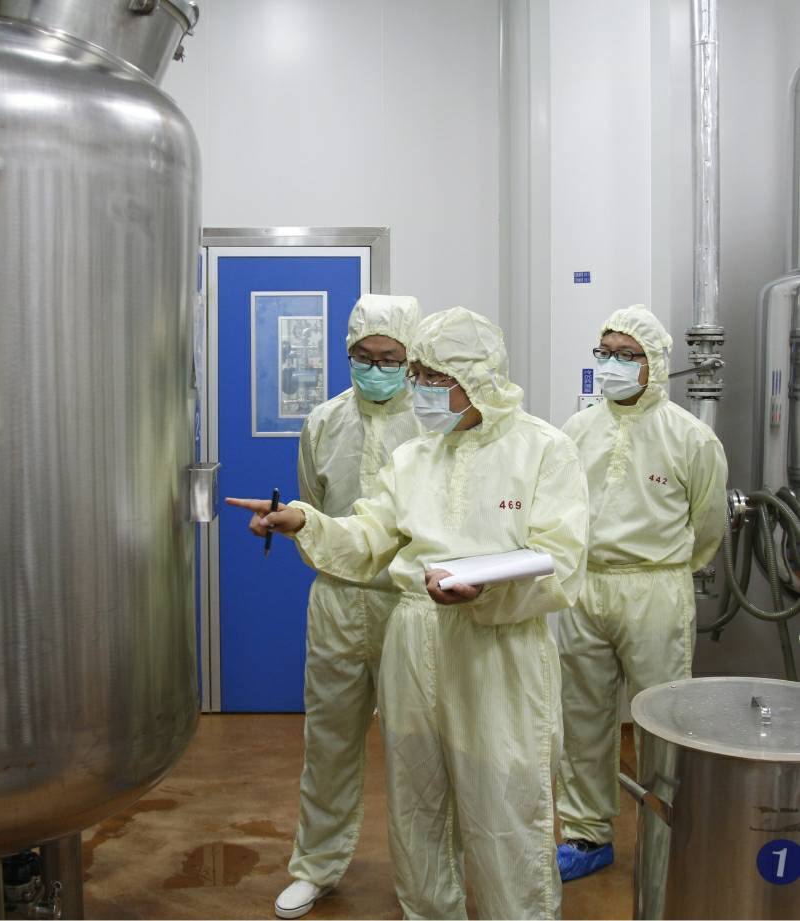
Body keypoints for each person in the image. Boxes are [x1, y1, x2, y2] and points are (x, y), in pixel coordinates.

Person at [230, 307, 589, 920]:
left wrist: (485, 593)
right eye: (416, 375)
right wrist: (306, 521)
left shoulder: (543, 450)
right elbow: (370, 533)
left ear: (475, 378)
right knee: (416, 801)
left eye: (430, 377)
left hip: (496, 645)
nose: (417, 389)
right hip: (415, 635)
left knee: (504, 802)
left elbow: (561, 560)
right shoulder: (415, 458)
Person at [275, 292, 458, 920]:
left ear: (411, 360)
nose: (375, 368)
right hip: (336, 600)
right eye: (364, 356)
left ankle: (429, 885)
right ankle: (315, 865)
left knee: (420, 750)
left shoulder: (434, 424)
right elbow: (314, 504)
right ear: (347, 353)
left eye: (389, 358)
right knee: (328, 740)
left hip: (412, 605)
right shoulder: (323, 422)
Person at [555, 305, 728, 882]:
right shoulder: (577, 430)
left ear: (654, 362)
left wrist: (669, 572)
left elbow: (707, 525)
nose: (613, 364)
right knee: (582, 716)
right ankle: (586, 834)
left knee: (662, 718)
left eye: (627, 355)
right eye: (606, 353)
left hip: (655, 587)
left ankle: (666, 833)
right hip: (586, 586)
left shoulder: (691, 437)